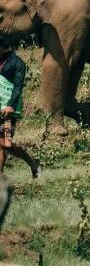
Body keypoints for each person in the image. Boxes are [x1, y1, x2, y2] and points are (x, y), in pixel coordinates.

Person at [0, 38, 40, 178]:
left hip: (8, 110)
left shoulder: (18, 63)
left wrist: (10, 106)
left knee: (5, 144)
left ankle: (33, 163)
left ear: (3, 48)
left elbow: (18, 87)